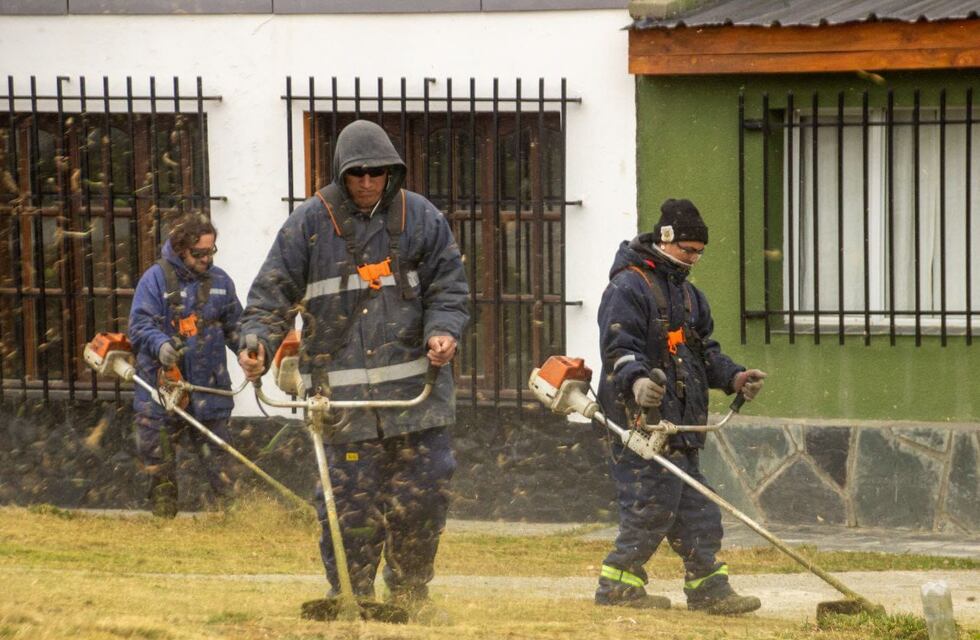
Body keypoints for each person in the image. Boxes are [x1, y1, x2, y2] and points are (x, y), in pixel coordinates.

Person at [237, 120, 469, 613]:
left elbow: (449, 289)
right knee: (350, 508)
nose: (367, 182)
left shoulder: (421, 219)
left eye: (377, 173)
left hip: (415, 402)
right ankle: (350, 592)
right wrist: (255, 342)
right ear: (342, 174)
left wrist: (442, 331)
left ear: (392, 173)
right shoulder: (308, 225)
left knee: (423, 501)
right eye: (357, 173)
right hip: (341, 406)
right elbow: (269, 297)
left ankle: (409, 592)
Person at [594, 198, 767, 615]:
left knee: (698, 512)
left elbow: (703, 354)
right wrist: (637, 383)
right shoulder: (628, 287)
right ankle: (617, 585)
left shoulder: (690, 297)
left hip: (679, 428)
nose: (694, 259)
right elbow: (619, 347)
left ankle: (709, 588)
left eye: (699, 253)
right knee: (650, 507)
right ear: (665, 240)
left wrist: (734, 378)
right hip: (638, 426)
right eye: (688, 250)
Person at [128, 213, 243, 518]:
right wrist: (161, 346)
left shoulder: (222, 283)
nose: (207, 259)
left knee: (220, 461)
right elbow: (139, 326)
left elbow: (237, 328)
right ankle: (164, 514)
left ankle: (229, 515)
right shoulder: (154, 280)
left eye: (211, 252)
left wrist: (250, 351)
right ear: (181, 249)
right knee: (159, 457)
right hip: (162, 389)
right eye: (199, 253)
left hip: (210, 387)